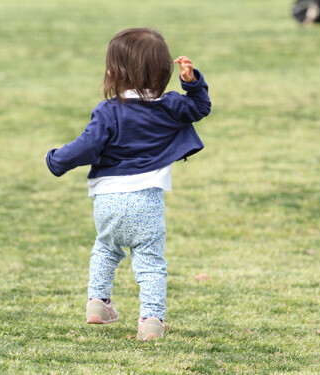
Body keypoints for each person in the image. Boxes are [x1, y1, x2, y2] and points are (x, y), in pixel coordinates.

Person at [45, 27, 211, 341]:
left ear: (116, 73)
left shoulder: (108, 112)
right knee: (149, 261)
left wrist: (55, 160)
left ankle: (98, 302)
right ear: (162, 72)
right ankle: (150, 321)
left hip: (107, 201)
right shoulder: (170, 106)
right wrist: (192, 83)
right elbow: (200, 108)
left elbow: (84, 147)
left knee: (105, 248)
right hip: (146, 201)